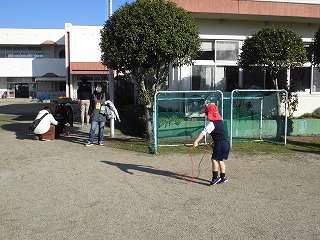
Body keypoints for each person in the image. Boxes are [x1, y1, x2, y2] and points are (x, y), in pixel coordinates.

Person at [193, 103, 230, 186]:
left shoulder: (211, 124)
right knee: (220, 160)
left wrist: (196, 141)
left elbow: (203, 133)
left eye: (206, 113)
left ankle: (215, 178)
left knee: (214, 159)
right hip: (225, 142)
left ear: (208, 114)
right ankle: (223, 177)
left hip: (220, 144)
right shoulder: (220, 121)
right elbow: (219, 132)